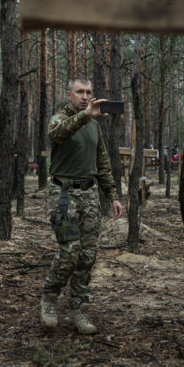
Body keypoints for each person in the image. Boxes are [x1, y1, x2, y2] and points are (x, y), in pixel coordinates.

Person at [40, 78, 123, 334]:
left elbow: (102, 163)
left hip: (89, 196)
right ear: (69, 95)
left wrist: (112, 195)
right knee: (69, 251)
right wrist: (85, 116)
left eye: (89, 92)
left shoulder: (95, 127)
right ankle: (49, 299)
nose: (85, 96)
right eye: (80, 92)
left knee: (87, 256)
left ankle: (78, 310)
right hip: (63, 195)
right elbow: (58, 133)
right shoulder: (59, 119)